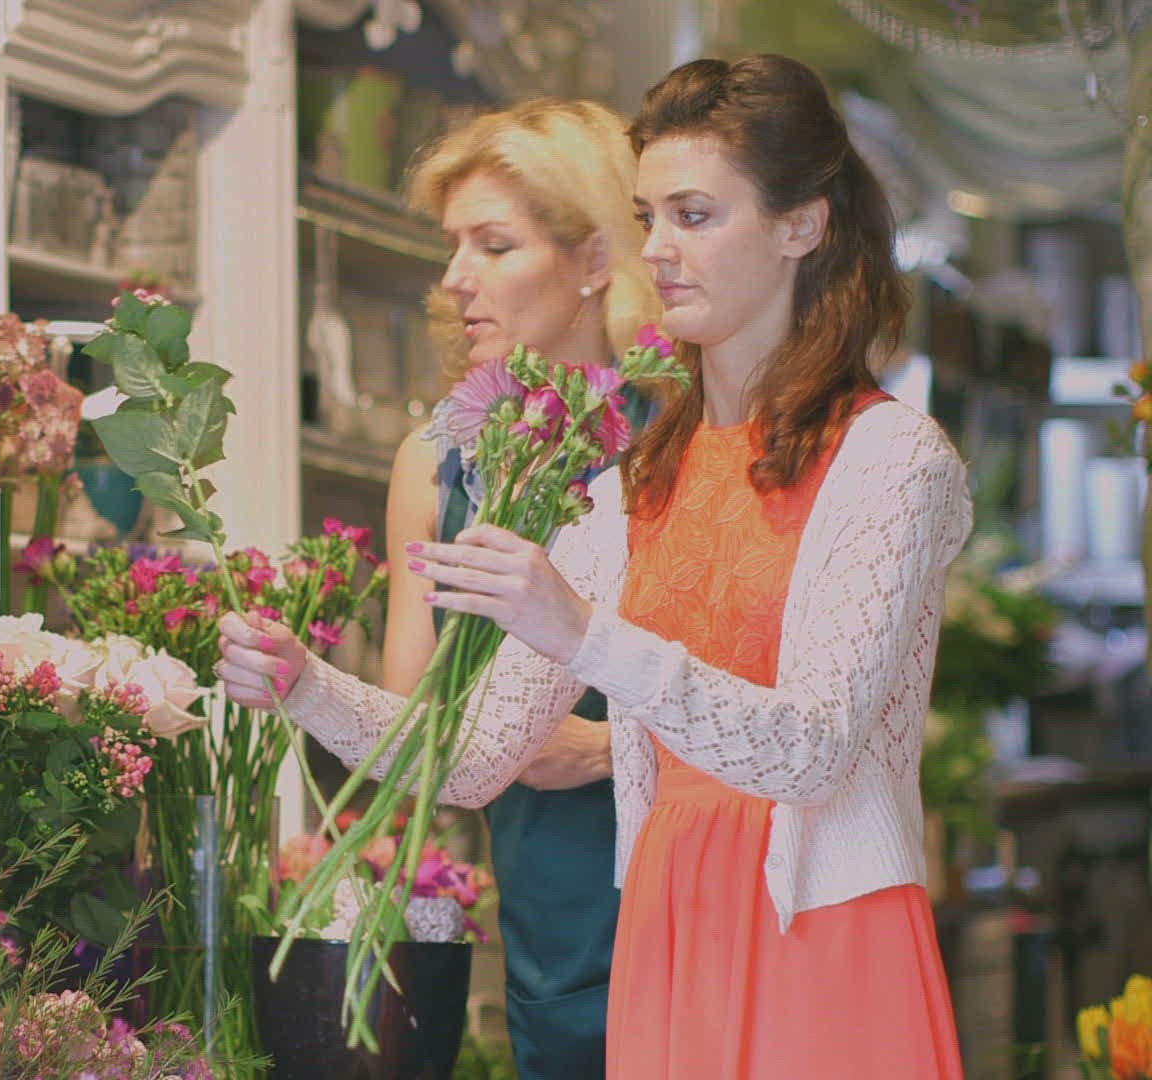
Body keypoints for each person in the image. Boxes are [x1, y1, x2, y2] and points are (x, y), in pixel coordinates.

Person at [220, 54, 969, 1077]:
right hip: (665, 928)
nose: (655, 250)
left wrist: (582, 633)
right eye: (648, 217)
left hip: (821, 930)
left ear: (802, 225)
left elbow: (813, 753)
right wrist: (304, 684)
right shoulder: (638, 482)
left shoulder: (891, 458)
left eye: (694, 216)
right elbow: (473, 761)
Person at [335, 99, 660, 1077]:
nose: (454, 277)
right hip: (544, 910)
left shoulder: (686, 443)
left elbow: (783, 705)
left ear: (594, 258)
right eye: (453, 246)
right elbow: (411, 723)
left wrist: (606, 747)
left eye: (493, 244)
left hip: (685, 887)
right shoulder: (435, 463)